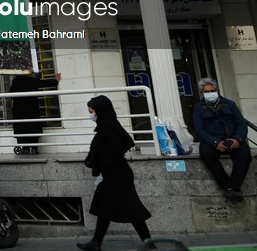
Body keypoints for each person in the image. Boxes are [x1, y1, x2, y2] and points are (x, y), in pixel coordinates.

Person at [76, 96, 151, 251]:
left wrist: (101, 166)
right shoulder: (107, 125)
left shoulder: (109, 127)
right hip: (114, 174)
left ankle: (149, 244)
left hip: (117, 176)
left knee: (133, 211)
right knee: (103, 207)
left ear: (100, 111)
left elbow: (116, 150)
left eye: (91, 111)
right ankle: (96, 243)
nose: (90, 115)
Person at [193, 78, 251, 202]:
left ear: (217, 90)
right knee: (205, 153)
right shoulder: (198, 107)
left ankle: (233, 188)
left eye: (212, 91)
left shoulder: (230, 104)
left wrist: (238, 139)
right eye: (206, 92)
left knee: (244, 153)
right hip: (213, 141)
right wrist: (215, 142)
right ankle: (227, 186)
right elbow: (199, 130)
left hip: (232, 139)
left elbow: (241, 123)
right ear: (202, 93)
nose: (210, 93)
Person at [9, 72, 60, 155]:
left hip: (19, 111)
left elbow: (11, 95)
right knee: (33, 127)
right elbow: (44, 83)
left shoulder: (15, 82)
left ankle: (25, 149)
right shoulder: (33, 81)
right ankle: (34, 148)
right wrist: (56, 80)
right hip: (32, 109)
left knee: (22, 129)